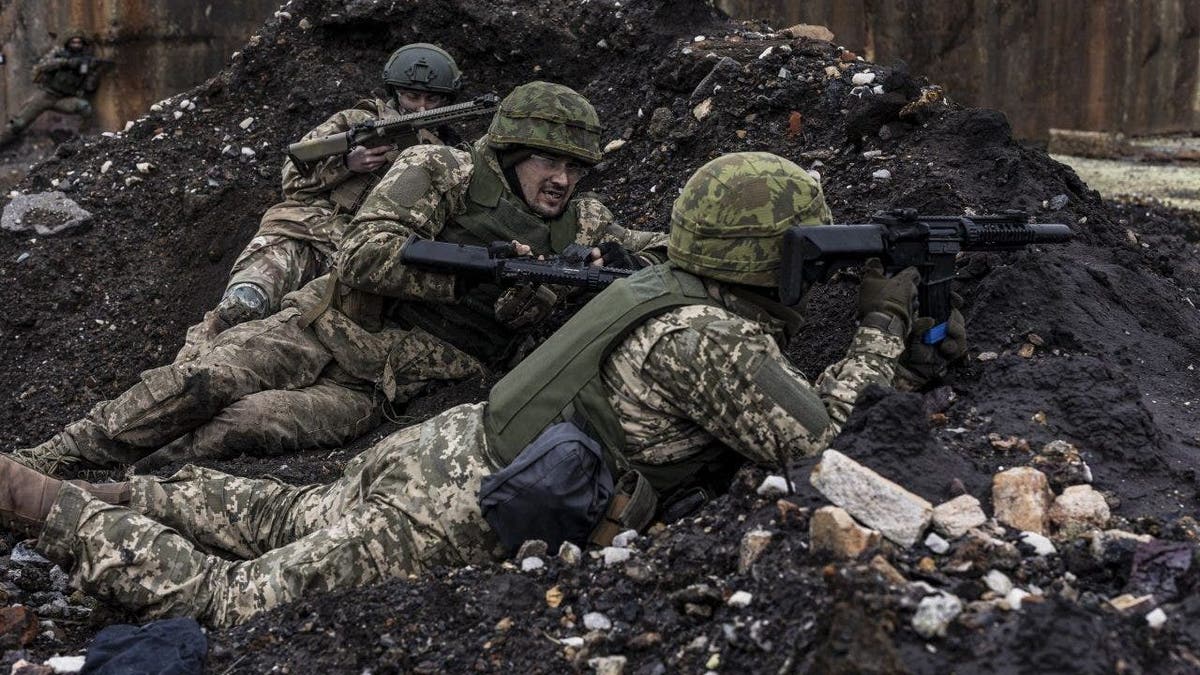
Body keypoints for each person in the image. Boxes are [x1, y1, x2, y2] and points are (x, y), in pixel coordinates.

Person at [0, 152, 966, 627]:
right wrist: (882, 324)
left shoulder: (663, 281)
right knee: (239, 597)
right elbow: (818, 441)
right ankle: (45, 502)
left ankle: (135, 492)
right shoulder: (706, 338)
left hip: (439, 452)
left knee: (285, 516)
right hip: (458, 509)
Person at [10, 81, 666, 474]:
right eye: (551, 160)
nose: (562, 178)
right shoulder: (443, 172)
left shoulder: (583, 223)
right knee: (204, 378)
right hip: (325, 325)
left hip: (384, 386)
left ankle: (108, 492)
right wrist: (476, 275)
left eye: (576, 167)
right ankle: (50, 460)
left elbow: (658, 248)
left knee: (243, 425)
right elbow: (364, 252)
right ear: (514, 151)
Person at [177, 43, 466, 360]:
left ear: (447, 100)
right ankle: (181, 376)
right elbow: (293, 177)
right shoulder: (356, 122)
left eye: (432, 99)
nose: (422, 109)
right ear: (395, 93)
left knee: (283, 343)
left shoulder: (452, 157)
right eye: (413, 97)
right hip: (303, 231)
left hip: (357, 258)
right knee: (241, 306)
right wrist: (346, 164)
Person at [0, 31, 107, 147]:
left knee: (85, 107)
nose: (76, 45)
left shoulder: (84, 62)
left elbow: (89, 87)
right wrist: (66, 63)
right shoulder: (58, 53)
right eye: (73, 42)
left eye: (79, 42)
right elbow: (43, 66)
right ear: (68, 43)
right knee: (18, 124)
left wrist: (93, 71)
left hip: (63, 100)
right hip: (45, 95)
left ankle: (82, 141)